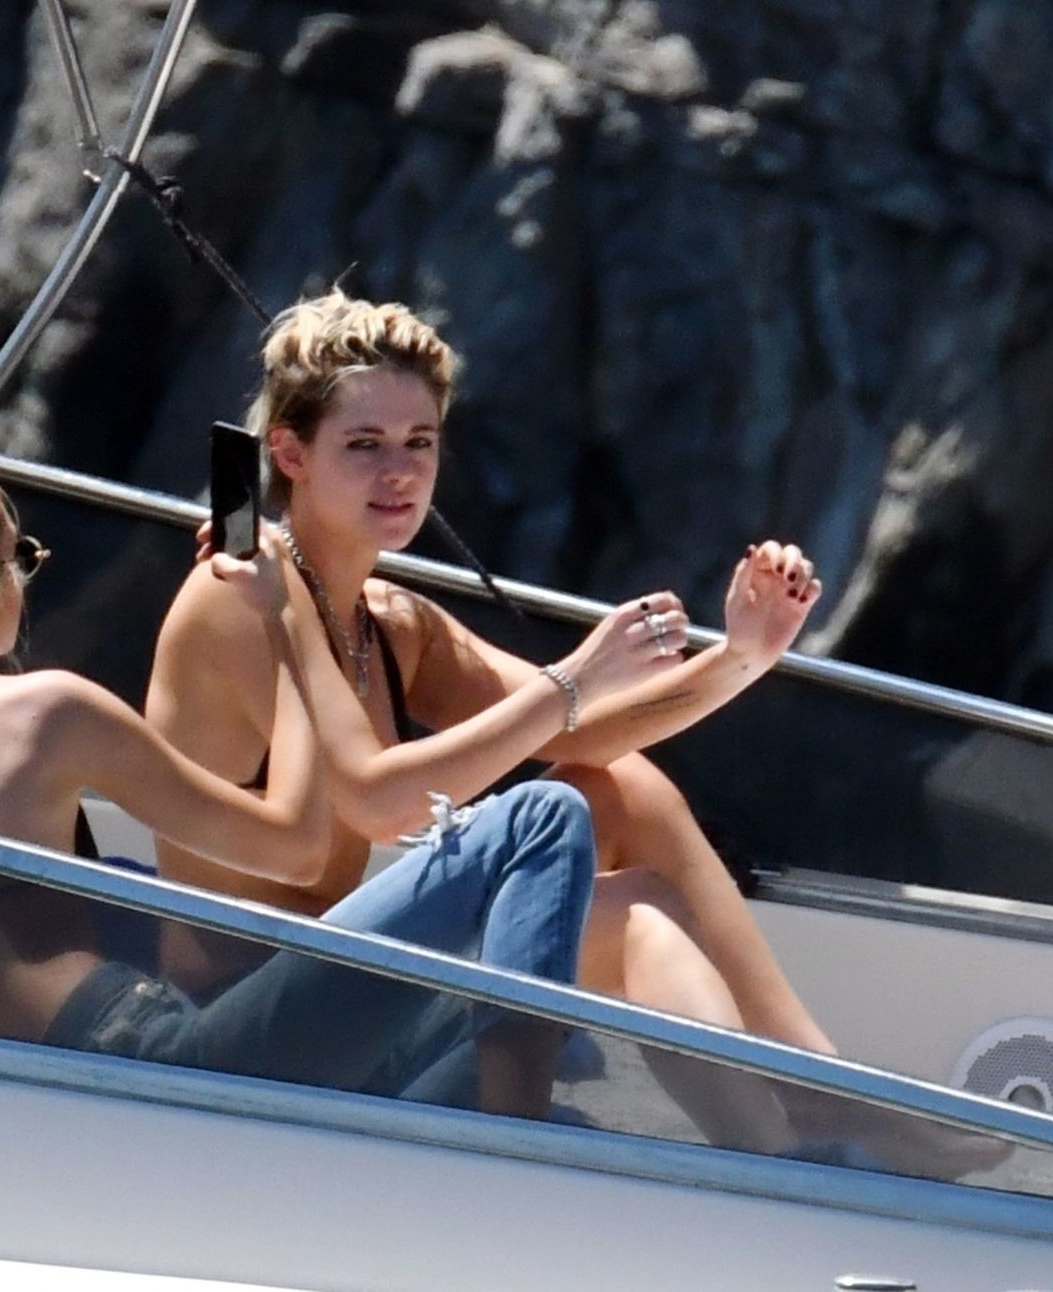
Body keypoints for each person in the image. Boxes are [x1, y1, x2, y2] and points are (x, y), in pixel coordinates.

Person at [0, 449, 662, 1118]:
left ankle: (504, 1121)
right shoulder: (41, 712)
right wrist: (288, 623)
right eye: (22, 558)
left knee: (505, 1024)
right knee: (541, 818)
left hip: (13, 1106)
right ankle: (513, 1154)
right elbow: (298, 845)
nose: (25, 579)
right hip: (161, 1067)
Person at [145, 290, 833, 1072]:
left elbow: (582, 731)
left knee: (621, 789)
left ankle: (814, 1082)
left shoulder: (390, 621)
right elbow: (376, 800)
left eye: (420, 442)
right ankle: (797, 1113)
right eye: (365, 444)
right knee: (634, 905)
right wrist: (575, 675)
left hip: (349, 980)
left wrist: (742, 657)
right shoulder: (242, 595)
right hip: (249, 1015)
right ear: (291, 455)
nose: (399, 471)